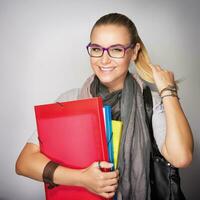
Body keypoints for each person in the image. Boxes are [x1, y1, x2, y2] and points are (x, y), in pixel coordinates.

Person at [15, 13, 193, 199]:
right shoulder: (70, 101)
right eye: (97, 49)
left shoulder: (152, 101)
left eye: (116, 49)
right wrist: (82, 179)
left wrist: (168, 91)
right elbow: (24, 163)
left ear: (134, 51)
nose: (104, 59)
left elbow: (181, 157)